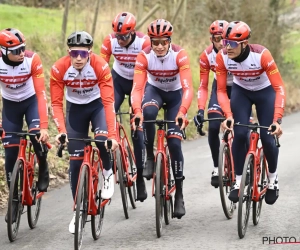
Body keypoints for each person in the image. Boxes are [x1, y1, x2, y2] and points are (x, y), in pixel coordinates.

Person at [50, 31, 118, 233]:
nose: (78, 58)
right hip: (75, 110)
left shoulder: (100, 66)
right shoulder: (59, 68)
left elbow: (108, 102)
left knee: (100, 140)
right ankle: (78, 210)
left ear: (90, 52)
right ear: (68, 52)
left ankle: (107, 172)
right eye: (74, 53)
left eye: (83, 53)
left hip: (97, 107)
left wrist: (112, 136)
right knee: (75, 162)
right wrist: (61, 131)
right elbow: (56, 103)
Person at [216, 21, 285, 205]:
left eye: (231, 44)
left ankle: (272, 179)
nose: (226, 48)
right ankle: (238, 181)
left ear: (244, 43)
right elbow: (221, 91)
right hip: (242, 92)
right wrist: (228, 115)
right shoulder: (222, 57)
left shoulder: (262, 55)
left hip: (265, 92)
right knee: (239, 134)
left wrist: (277, 119)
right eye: (224, 42)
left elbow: (279, 88)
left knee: (268, 137)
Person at [131, 19, 193, 219]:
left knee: (174, 143)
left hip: (175, 96)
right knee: (148, 113)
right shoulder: (144, 56)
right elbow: (138, 88)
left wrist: (183, 111)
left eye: (163, 42)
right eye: (155, 42)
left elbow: (188, 88)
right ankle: (149, 155)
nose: (158, 46)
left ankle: (180, 194)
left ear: (169, 41)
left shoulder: (179, 55)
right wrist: (136, 110)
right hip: (155, 91)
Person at [0, 28, 50, 223]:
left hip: (31, 102)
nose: (21, 53)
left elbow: (40, 94)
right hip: (10, 106)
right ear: (3, 51)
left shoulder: (32, 60)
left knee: (36, 135)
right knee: (10, 151)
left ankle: (43, 164)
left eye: (23, 48)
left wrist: (44, 126)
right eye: (16, 51)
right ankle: (13, 198)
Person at [100, 12, 150, 201]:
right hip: (118, 80)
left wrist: (136, 104)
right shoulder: (109, 41)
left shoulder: (144, 43)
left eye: (124, 37)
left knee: (137, 128)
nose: (120, 40)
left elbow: (147, 73)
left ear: (133, 33)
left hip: (140, 82)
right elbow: (101, 68)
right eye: (117, 36)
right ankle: (111, 162)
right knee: (106, 115)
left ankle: (140, 181)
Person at [193, 20, 231, 188]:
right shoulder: (206, 56)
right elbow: (203, 85)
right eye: (217, 39)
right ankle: (217, 167)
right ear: (211, 39)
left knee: (242, 126)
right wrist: (200, 110)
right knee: (214, 125)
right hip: (219, 88)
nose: (222, 43)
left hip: (239, 87)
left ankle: (245, 164)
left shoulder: (236, 50)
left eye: (224, 38)